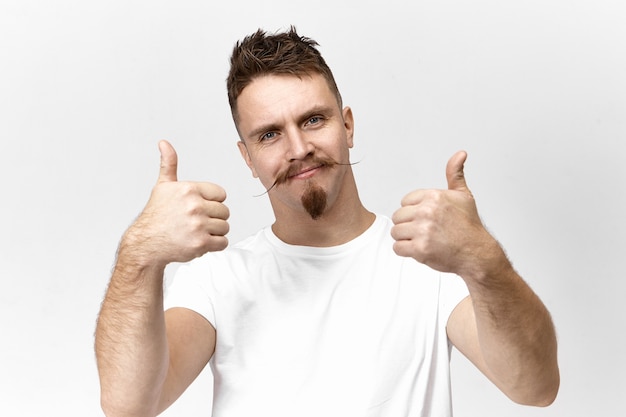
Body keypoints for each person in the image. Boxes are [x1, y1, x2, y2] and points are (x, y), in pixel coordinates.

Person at [95, 27, 559, 417]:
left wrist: (483, 261)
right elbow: (129, 406)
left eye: (313, 119)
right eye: (270, 134)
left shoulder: (430, 266)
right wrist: (141, 254)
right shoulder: (216, 279)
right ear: (248, 158)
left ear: (348, 125)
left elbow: (535, 387)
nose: (298, 148)